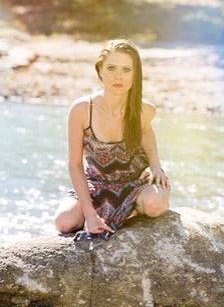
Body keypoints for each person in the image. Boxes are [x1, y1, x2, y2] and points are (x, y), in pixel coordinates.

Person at [54, 39, 171, 241]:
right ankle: (108, 215)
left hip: (135, 185)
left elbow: (147, 133)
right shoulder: (82, 109)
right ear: (100, 70)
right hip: (97, 185)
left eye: (127, 69)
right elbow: (74, 164)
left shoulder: (145, 109)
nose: (119, 76)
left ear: (136, 74)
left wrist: (156, 166)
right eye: (111, 68)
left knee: (155, 204)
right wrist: (90, 214)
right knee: (63, 222)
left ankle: (125, 212)